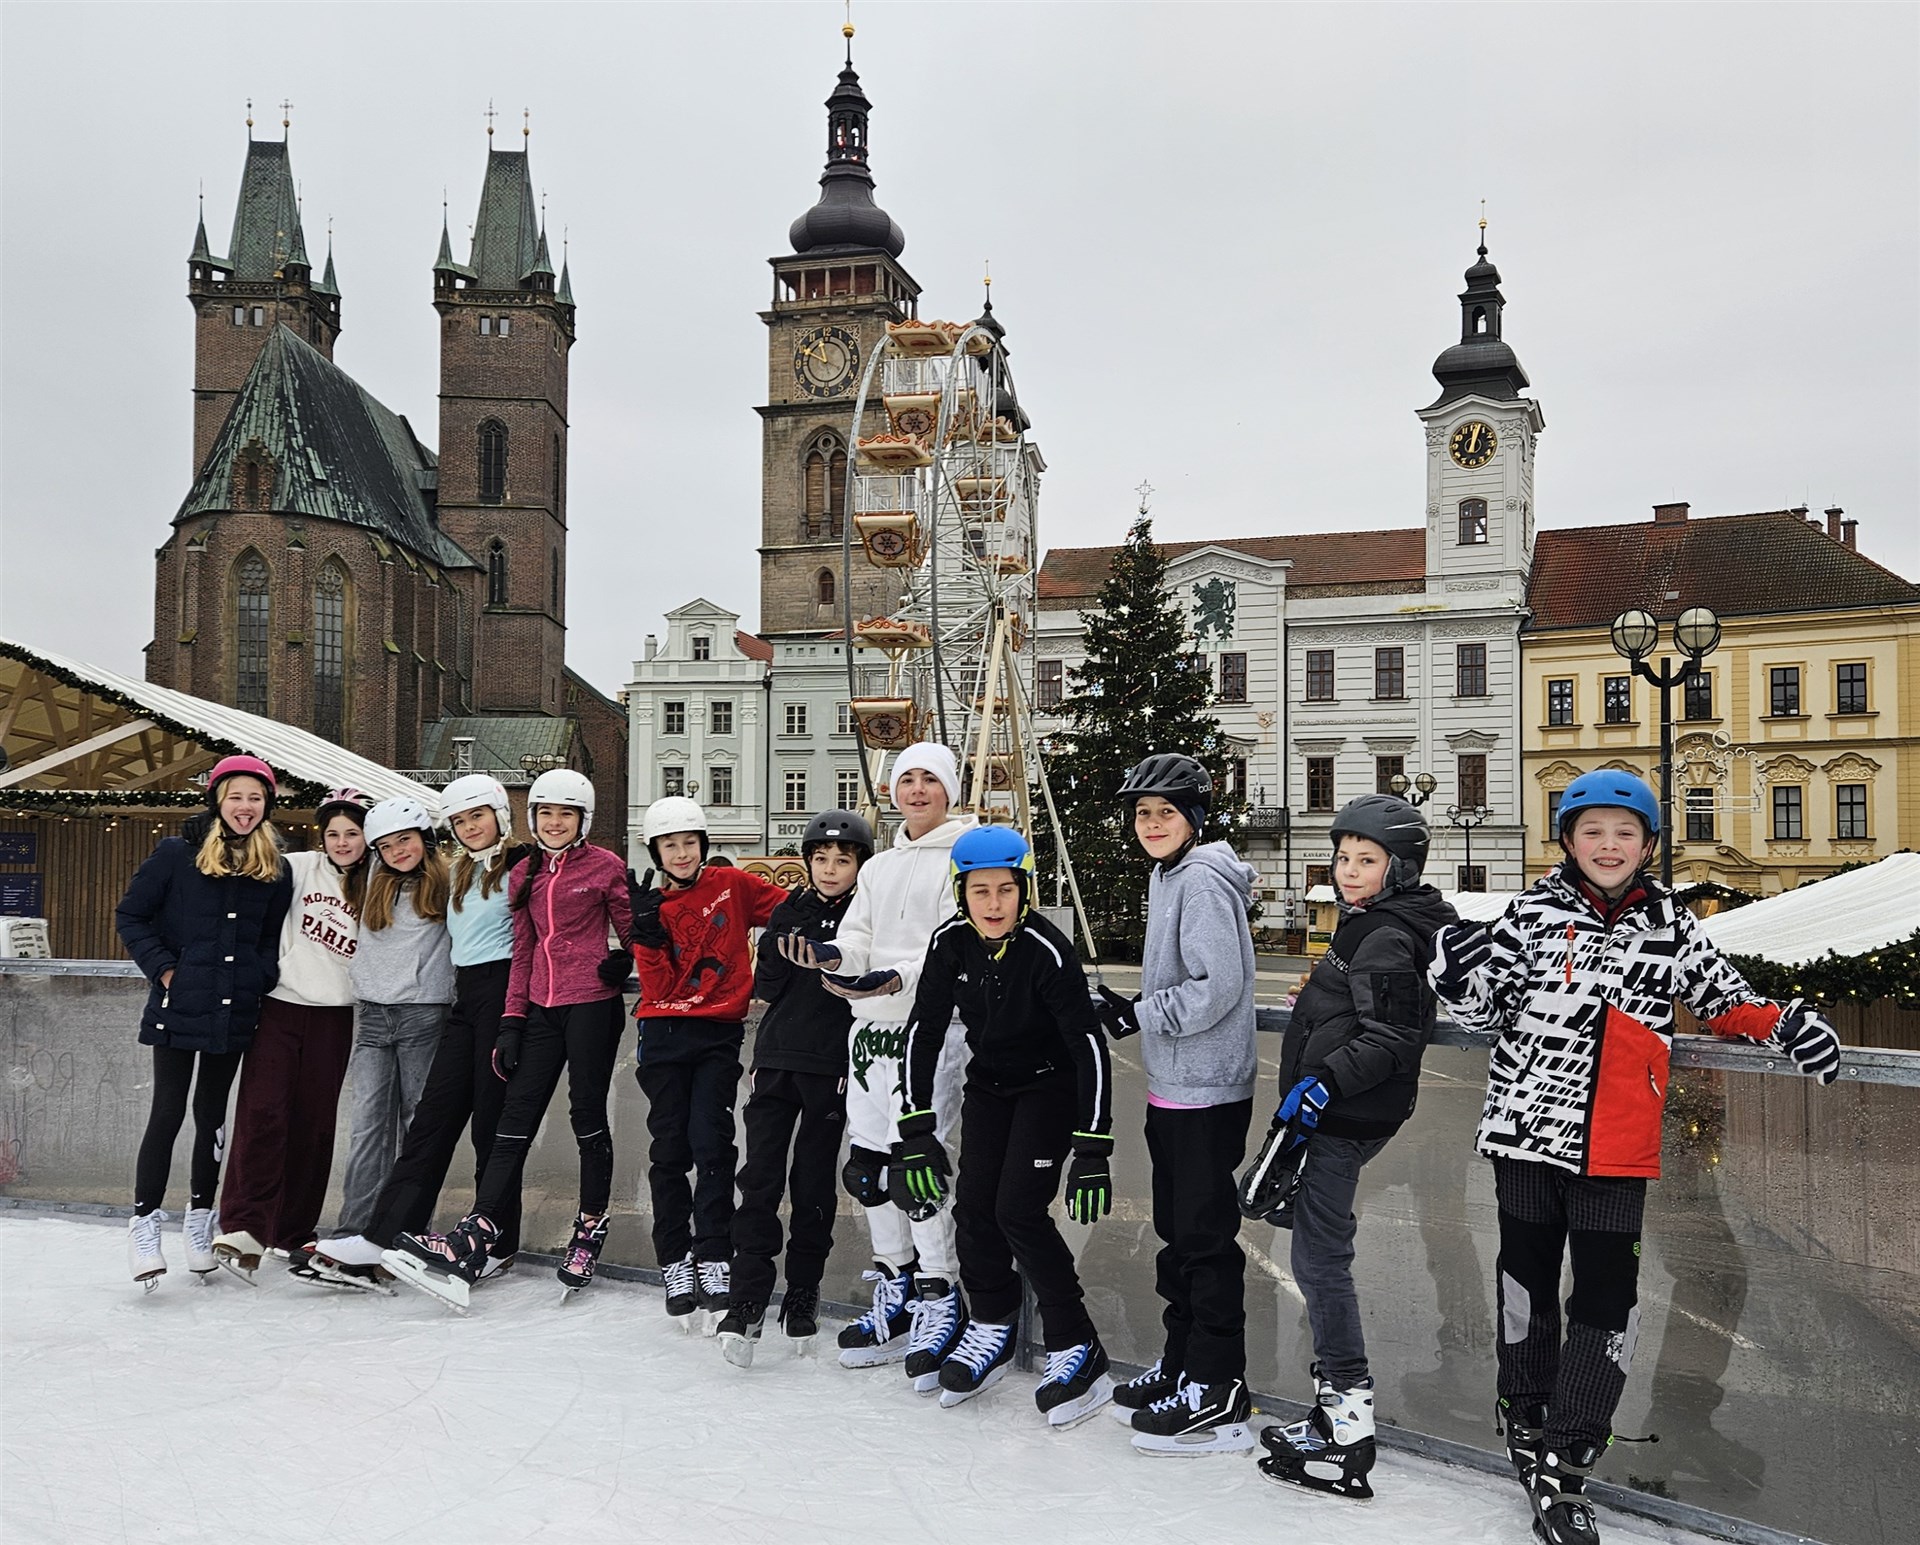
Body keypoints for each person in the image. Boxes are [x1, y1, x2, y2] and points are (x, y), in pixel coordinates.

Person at [1428, 769, 1842, 1545]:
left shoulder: (1670, 924)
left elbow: (1725, 1000)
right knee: (1525, 1286)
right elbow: (1483, 1006)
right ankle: (1525, 1411)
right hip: (1524, 1136)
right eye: (1593, 831)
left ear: (1648, 844)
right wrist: (1454, 968)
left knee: (1606, 1302)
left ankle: (1571, 1453)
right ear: (1569, 840)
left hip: (1617, 1147)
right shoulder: (1533, 912)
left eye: (1625, 833)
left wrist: (1788, 1022)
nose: (1608, 845)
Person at [1252, 794, 1457, 1499]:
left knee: (1320, 1257)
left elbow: (1395, 1035)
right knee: (1311, 1241)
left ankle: (1347, 1419)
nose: (1348, 870)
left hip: (1341, 1117)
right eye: (1343, 857)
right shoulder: (1372, 924)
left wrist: (1322, 1084)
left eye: (1365, 860)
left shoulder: (1387, 935)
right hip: (1341, 1113)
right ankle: (1331, 1408)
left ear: (1399, 867)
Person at [892, 826, 1116, 1425]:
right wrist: (915, 1127)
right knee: (973, 1208)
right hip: (990, 1085)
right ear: (961, 893)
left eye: (1006, 890)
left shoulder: (1046, 950)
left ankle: (1078, 1343)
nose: (994, 904)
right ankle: (991, 1321)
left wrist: (1093, 1145)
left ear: (1024, 891)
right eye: (980, 891)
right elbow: (923, 1031)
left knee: (1019, 1210)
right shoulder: (950, 943)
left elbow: (1087, 1044)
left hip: (1049, 1086)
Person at [388, 769, 632, 1306]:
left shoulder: (606, 865)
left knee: (587, 1117)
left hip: (591, 1005)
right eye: (545, 813)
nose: (554, 822)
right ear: (532, 817)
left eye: (565, 813)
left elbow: (632, 927)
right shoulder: (527, 875)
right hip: (540, 1008)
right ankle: (477, 1232)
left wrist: (625, 959)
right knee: (511, 1124)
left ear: (582, 819)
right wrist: (512, 1021)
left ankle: (590, 1226)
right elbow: (523, 952)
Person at [777, 742, 979, 1382]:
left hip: (930, 1028)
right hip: (869, 1033)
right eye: (906, 779)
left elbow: (956, 945)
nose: (916, 790)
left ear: (949, 789)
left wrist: (896, 979)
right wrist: (836, 958)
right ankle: (894, 1281)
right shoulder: (881, 866)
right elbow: (860, 934)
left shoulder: (965, 856)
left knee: (919, 1163)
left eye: (929, 780)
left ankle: (940, 1292)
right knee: (868, 1166)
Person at [1091, 752, 1259, 1455]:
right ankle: (1185, 1359)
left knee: (1204, 1240)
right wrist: (1141, 1012)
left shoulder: (1201, 880)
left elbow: (1216, 983)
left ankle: (1219, 1385)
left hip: (1208, 1087)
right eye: (1142, 813)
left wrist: (1141, 1012)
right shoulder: (1168, 875)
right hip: (1176, 1085)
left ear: (1193, 817)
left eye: (1165, 812)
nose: (1152, 824)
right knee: (1177, 1233)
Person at [312, 775, 531, 1288]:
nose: (470, 827)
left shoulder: (506, 868)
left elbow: (553, 915)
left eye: (477, 816)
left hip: (485, 1001)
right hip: (446, 1006)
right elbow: (334, 853)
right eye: (460, 820)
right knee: (419, 1123)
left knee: (485, 1128)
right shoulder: (442, 876)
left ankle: (494, 1243)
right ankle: (382, 1233)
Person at [115, 755, 291, 1287]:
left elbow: (267, 938)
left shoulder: (272, 869)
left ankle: (199, 1218)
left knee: (212, 1117)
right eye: (236, 796)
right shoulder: (177, 854)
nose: (245, 807)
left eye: (255, 798)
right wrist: (165, 969)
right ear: (217, 799)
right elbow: (132, 914)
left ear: (267, 805)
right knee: (167, 1112)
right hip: (179, 1006)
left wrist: (259, 975)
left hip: (235, 1011)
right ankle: (145, 1223)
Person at [716, 809, 873, 1366]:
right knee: (759, 1180)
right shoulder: (789, 909)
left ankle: (803, 1291)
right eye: (822, 859)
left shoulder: (865, 916)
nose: (831, 869)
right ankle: (747, 1298)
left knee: (812, 1186)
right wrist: (784, 946)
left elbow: (861, 986)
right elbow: (768, 988)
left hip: (830, 1068)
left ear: (860, 865)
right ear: (807, 862)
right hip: (777, 1060)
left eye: (843, 860)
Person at [630, 795, 789, 1323]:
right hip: (663, 1030)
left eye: (688, 843)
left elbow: (789, 909)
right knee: (670, 1148)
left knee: (713, 1144)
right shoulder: (652, 906)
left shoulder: (732, 885)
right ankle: (675, 1259)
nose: (680, 853)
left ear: (703, 845)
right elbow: (656, 986)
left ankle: (714, 1252)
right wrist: (648, 940)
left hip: (717, 1031)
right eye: (670, 845)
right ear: (655, 850)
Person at [214, 787, 371, 1273]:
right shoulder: (299, 867)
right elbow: (244, 853)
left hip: (336, 1016)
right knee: (262, 1116)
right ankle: (243, 1227)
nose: (342, 842)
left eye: (352, 833)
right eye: (333, 833)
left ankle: (294, 1230)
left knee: (314, 1126)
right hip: (280, 1007)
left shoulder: (381, 883)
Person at [328, 798, 455, 1249]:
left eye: (406, 839)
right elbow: (332, 847)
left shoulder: (449, 882)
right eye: (386, 845)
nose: (398, 851)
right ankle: (354, 1231)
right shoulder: (369, 884)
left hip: (424, 1012)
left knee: (416, 1126)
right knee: (367, 1127)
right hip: (373, 1017)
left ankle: (403, 1231)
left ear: (426, 838)